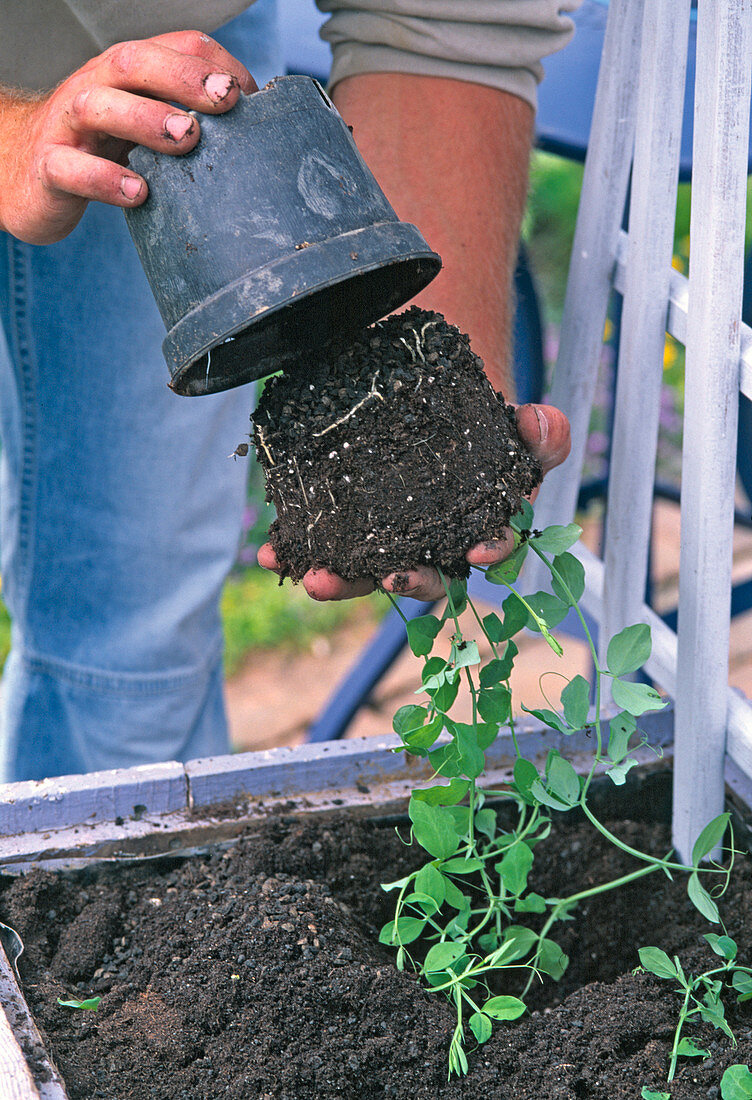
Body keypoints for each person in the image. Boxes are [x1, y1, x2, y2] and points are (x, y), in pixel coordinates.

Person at [0, 1, 574, 782]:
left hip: (156, 61)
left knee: (134, 629)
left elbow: (451, 24)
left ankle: (127, 881)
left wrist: (442, 413)